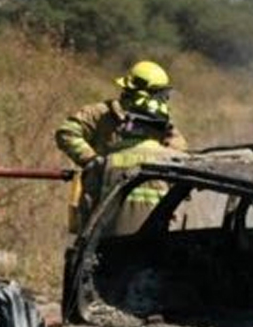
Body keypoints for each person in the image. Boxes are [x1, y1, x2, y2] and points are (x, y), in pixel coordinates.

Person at [75, 93, 180, 236]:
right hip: (156, 251)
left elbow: (87, 207)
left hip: (109, 250)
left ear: (130, 124)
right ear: (164, 129)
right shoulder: (178, 162)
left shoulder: (107, 160)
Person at [55, 60, 188, 170]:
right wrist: (92, 161)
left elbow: (179, 151)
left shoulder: (159, 123)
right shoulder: (101, 113)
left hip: (140, 189)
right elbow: (67, 132)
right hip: (102, 190)